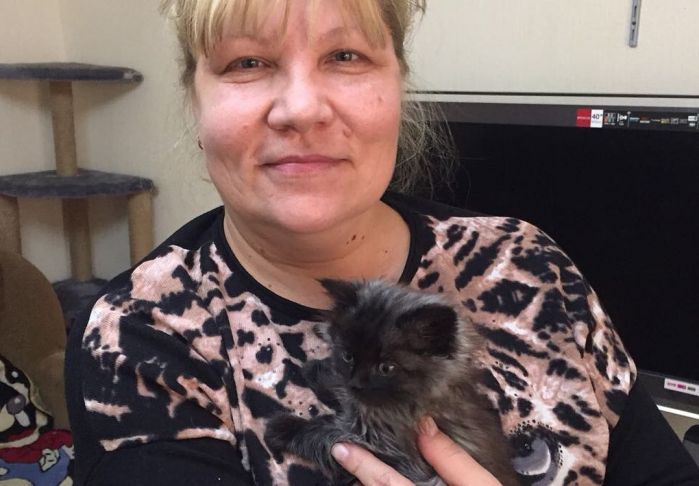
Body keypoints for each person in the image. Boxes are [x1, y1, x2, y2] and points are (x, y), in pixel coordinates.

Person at [65, 0, 699, 484]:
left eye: (345, 56)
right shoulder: (142, 341)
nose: (302, 109)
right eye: (247, 63)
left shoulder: (527, 261)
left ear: (398, 87)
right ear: (195, 106)